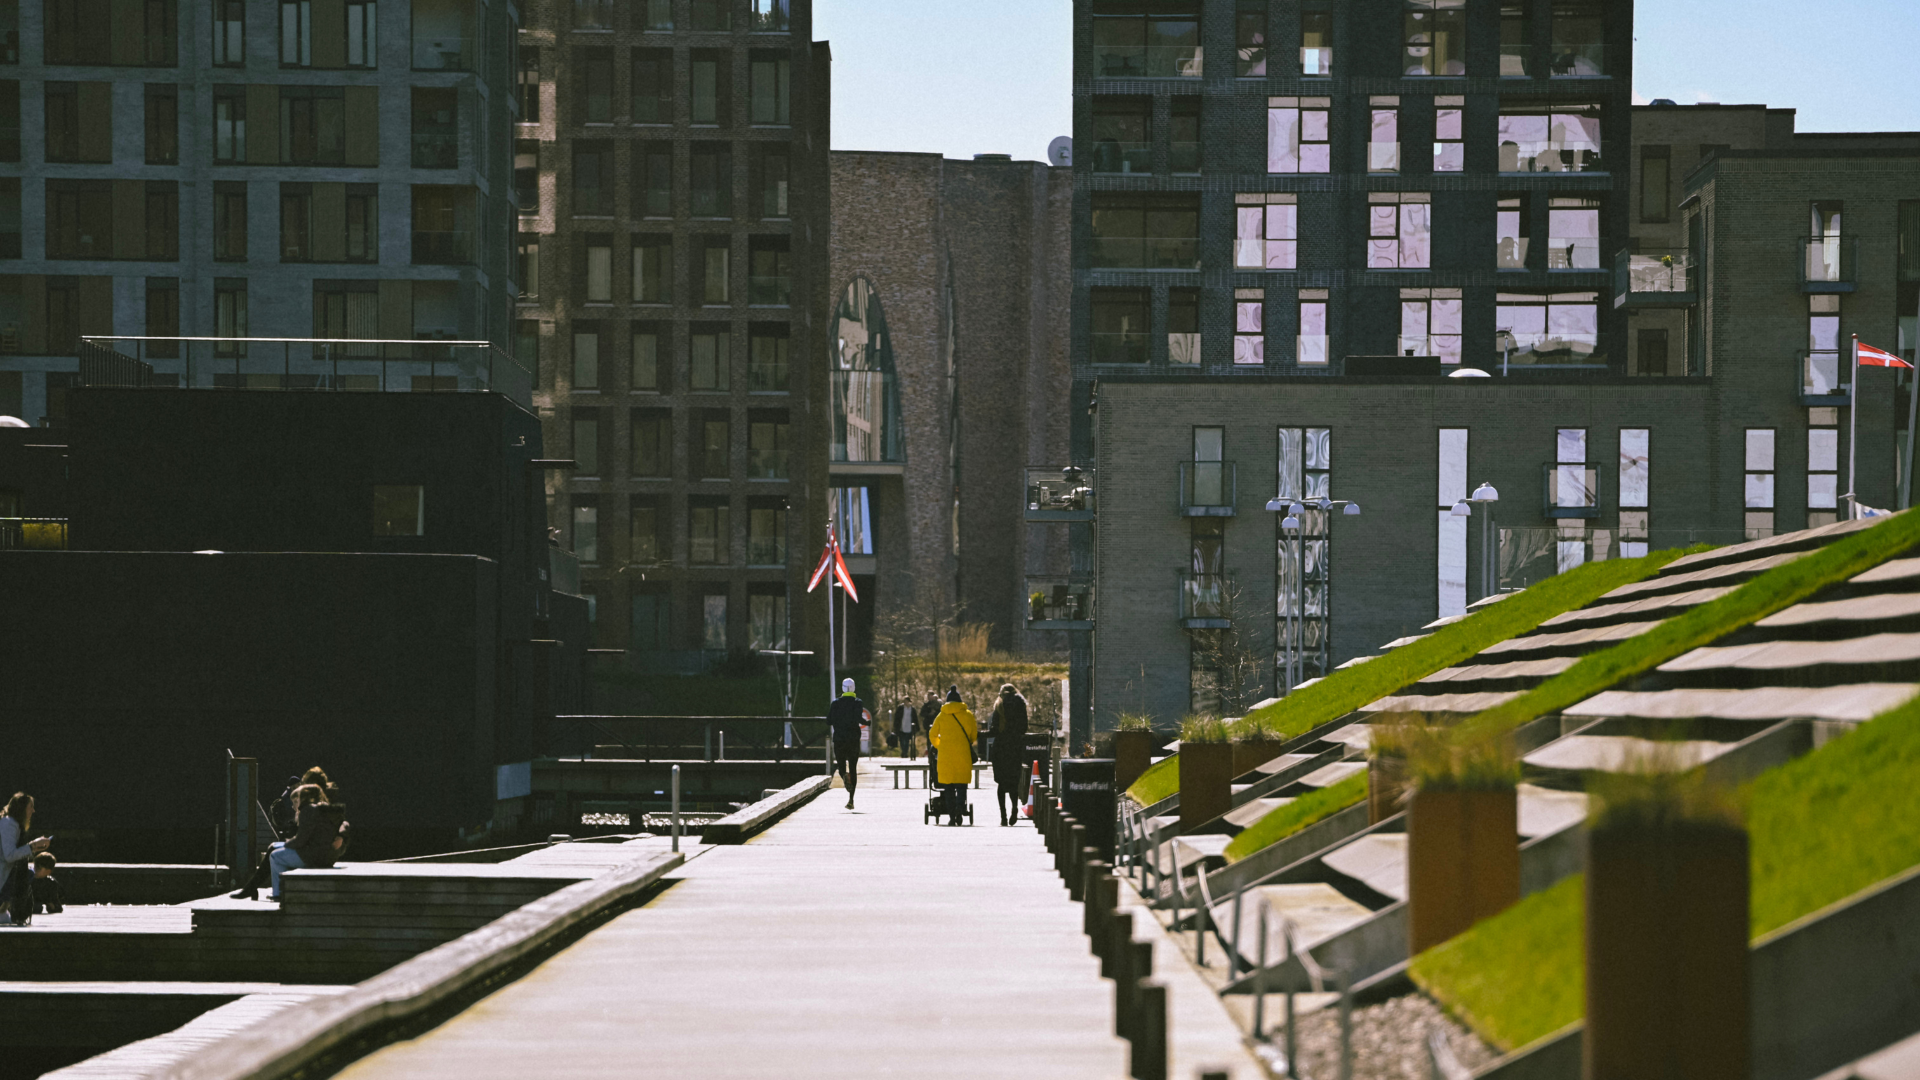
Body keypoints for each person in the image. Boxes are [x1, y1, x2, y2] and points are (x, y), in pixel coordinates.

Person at [267, 784, 349, 901]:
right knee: (276, 848)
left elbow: (300, 841)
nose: (292, 806)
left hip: (315, 856)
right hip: (328, 855)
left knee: (275, 856)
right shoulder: (322, 809)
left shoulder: (308, 811)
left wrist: (287, 844)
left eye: (295, 801)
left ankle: (279, 894)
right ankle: (283, 890)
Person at [927, 686, 978, 826]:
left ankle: (951, 816)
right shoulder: (968, 715)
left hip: (945, 757)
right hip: (963, 755)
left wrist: (939, 745)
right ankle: (959, 810)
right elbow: (973, 735)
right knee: (961, 786)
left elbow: (932, 734)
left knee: (948, 787)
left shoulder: (942, 715)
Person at [0, 793, 51, 926]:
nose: (33, 811)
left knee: (28, 873)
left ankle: (4, 910)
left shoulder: (13, 824)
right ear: (21, 808)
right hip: (3, 872)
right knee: (27, 874)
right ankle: (2, 910)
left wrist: (33, 847)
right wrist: (33, 845)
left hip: (6, 871)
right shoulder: (8, 824)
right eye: (30, 807)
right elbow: (9, 856)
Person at [988, 683, 1031, 826]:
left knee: (1001, 782)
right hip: (1015, 746)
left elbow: (994, 729)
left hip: (1000, 747)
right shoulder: (1021, 704)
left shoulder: (999, 705)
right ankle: (1014, 810)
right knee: (1013, 781)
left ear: (1001, 693)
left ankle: (1003, 816)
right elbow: (1024, 728)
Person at [826, 677, 869, 810]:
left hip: (839, 738)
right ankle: (851, 799)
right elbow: (858, 718)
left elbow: (828, 721)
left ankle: (844, 775)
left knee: (841, 765)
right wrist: (867, 723)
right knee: (853, 767)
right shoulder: (857, 702)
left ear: (843, 688)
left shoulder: (836, 703)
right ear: (854, 688)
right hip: (853, 739)